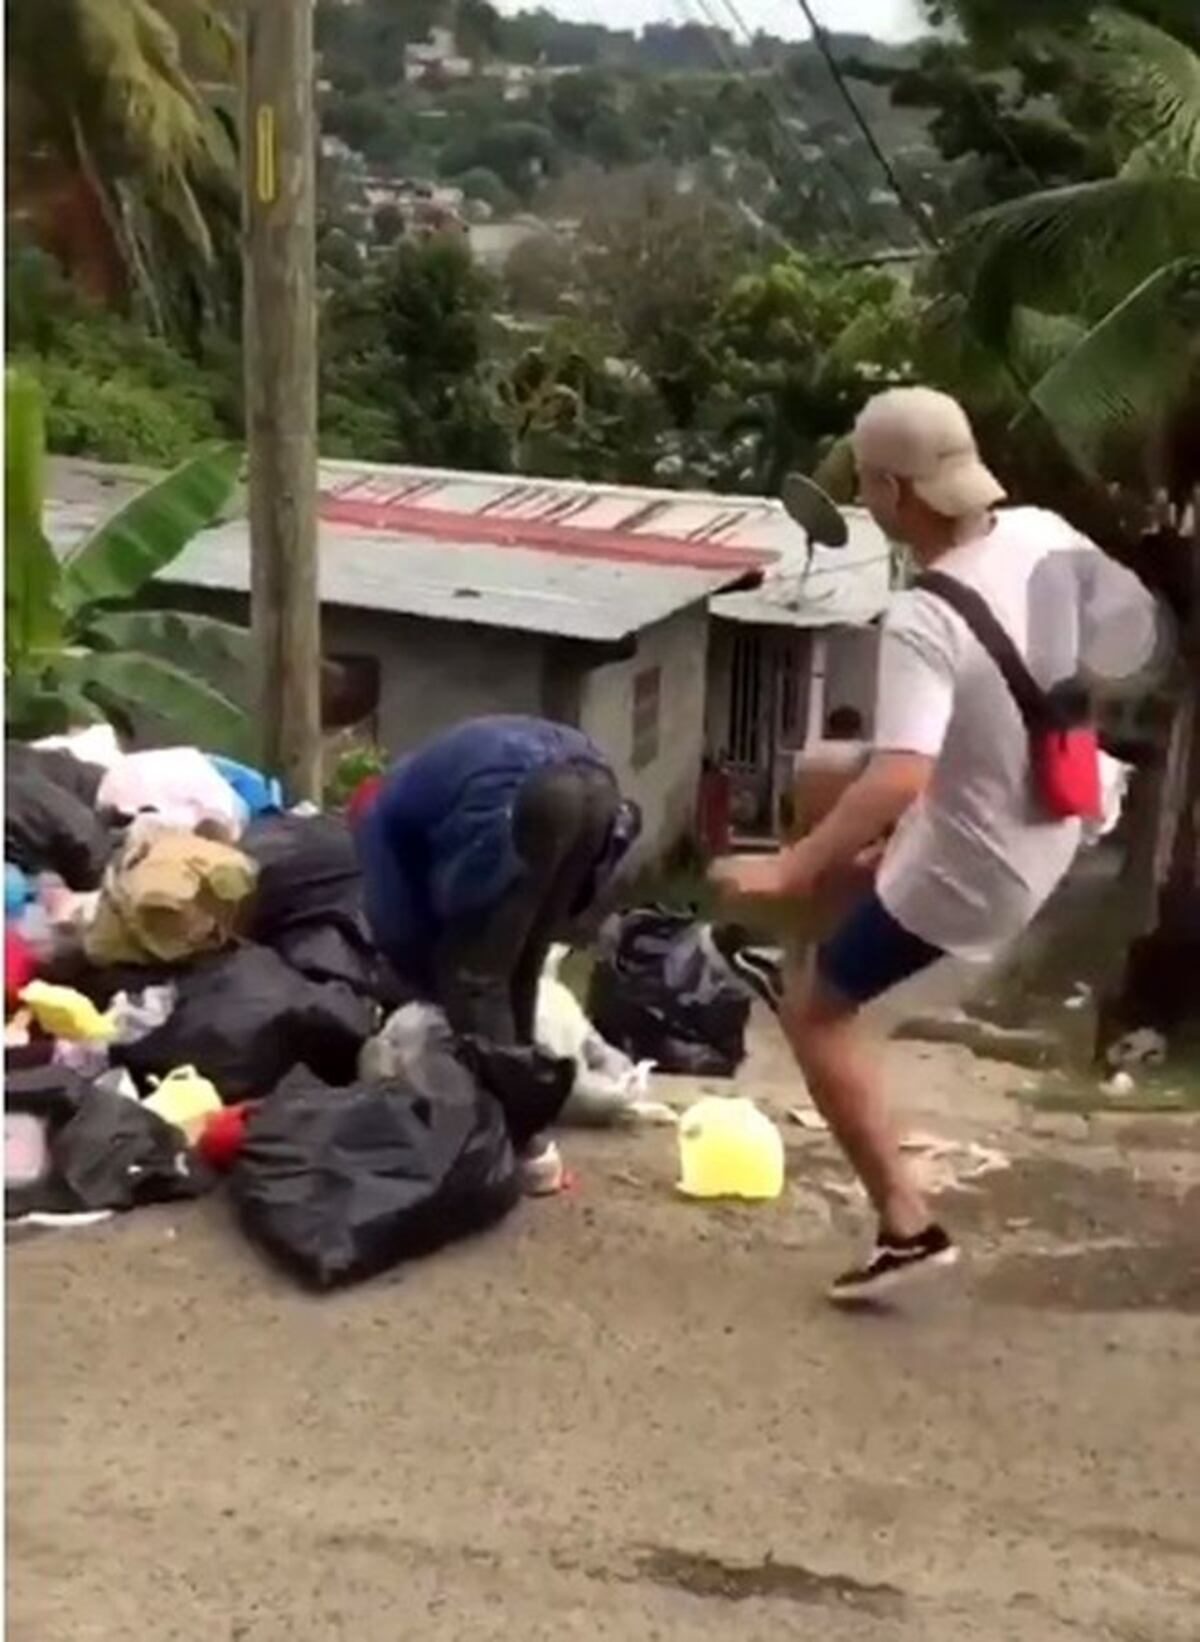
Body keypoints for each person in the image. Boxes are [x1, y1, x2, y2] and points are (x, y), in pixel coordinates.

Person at [713, 387, 1163, 1303]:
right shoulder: (1041, 531)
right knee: (826, 768)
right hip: (1069, 803)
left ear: (889, 491)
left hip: (980, 875)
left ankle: (906, 1229)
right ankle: (815, 948)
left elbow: (904, 779)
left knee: (815, 1019)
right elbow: (1125, 639)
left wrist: (787, 866)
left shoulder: (925, 613)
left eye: (869, 484)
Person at [352, 716, 641, 1195]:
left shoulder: (375, 818)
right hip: (595, 783)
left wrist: (424, 980)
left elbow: (394, 919)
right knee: (522, 963)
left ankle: (510, 1143)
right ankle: (527, 1123)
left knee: (474, 976)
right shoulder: (421, 782)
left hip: (522, 793)